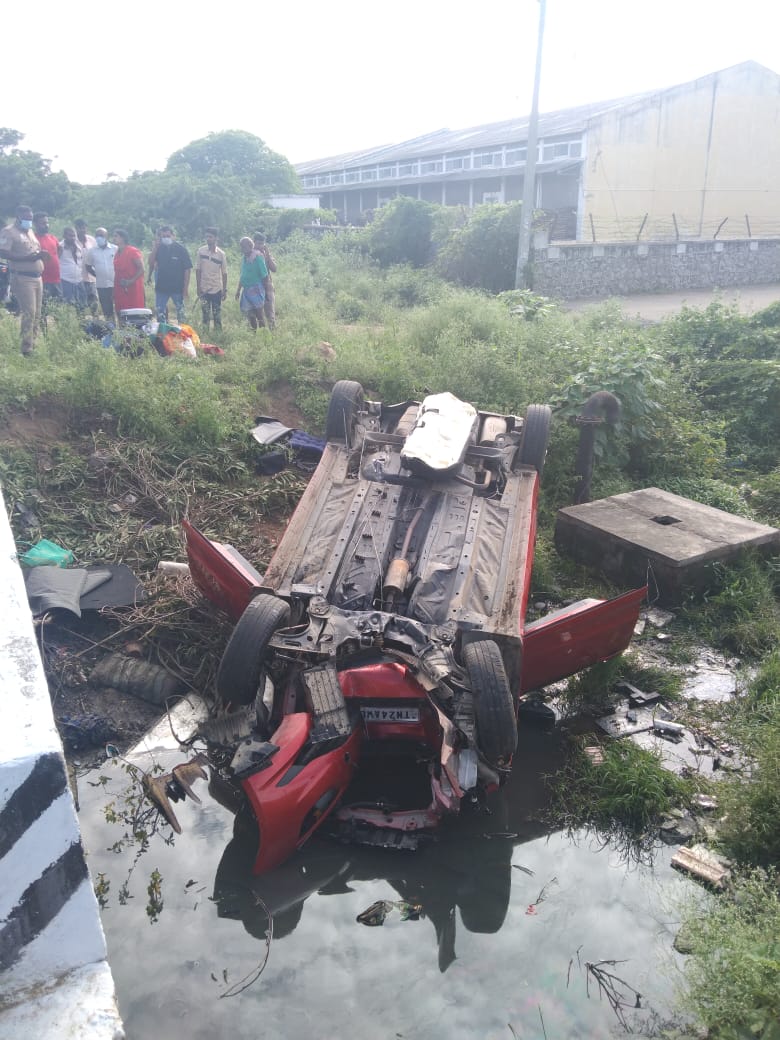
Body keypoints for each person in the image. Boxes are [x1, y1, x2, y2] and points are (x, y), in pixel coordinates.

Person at [0, 205, 46, 355]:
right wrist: (26, 258)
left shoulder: (30, 232)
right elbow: (3, 252)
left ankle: (33, 345)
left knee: (37, 314)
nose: (29, 221)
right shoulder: (8, 232)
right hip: (22, 277)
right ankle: (26, 349)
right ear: (18, 217)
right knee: (29, 313)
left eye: (31, 219)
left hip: (37, 277)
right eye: (26, 219)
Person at [148, 225, 191, 322]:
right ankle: (162, 335)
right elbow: (150, 263)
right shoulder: (159, 248)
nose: (166, 238)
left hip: (177, 288)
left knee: (181, 314)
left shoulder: (181, 249)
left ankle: (183, 334)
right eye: (163, 237)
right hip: (161, 288)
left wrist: (185, 288)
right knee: (160, 314)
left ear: (173, 235)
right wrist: (155, 248)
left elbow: (187, 270)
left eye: (168, 236)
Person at [195, 227, 227, 332]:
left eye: (210, 237)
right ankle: (205, 334)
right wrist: (198, 287)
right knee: (205, 314)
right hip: (204, 287)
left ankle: (218, 336)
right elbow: (198, 270)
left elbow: (224, 273)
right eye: (207, 237)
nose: (208, 239)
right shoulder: (201, 251)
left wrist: (224, 290)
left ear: (216, 238)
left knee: (217, 314)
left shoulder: (221, 254)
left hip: (216, 288)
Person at [236, 236, 269, 330]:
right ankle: (254, 334)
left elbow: (265, 276)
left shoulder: (258, 257)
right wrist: (238, 290)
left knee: (259, 314)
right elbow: (243, 275)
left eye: (244, 247)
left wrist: (265, 292)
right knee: (250, 314)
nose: (242, 249)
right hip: (246, 290)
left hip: (257, 289)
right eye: (241, 247)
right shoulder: (244, 258)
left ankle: (263, 335)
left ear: (251, 246)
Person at [85, 227, 117, 320]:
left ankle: (122, 329)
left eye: (101, 235)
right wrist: (97, 275)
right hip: (102, 285)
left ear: (107, 236)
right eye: (97, 236)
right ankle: (111, 329)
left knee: (119, 308)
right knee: (107, 310)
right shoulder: (92, 251)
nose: (99, 238)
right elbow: (88, 266)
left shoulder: (115, 249)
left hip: (115, 284)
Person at [112, 229, 145, 317]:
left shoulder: (132, 251)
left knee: (133, 311)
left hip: (132, 287)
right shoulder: (117, 252)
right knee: (120, 311)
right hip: (120, 287)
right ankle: (122, 330)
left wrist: (131, 281)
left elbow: (141, 269)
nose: (113, 238)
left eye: (116, 236)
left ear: (123, 238)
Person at [33, 212, 62, 306]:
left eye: (47, 223)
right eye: (43, 223)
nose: (46, 225)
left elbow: (59, 249)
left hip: (56, 279)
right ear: (35, 224)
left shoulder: (52, 237)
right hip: (42, 280)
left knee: (59, 307)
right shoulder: (33, 239)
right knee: (43, 308)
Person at [252, 231, 277, 329]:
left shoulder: (266, 254)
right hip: (254, 286)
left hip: (267, 285)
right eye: (258, 243)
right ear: (253, 243)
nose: (260, 246)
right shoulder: (250, 255)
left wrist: (268, 255)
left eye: (262, 244)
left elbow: (274, 269)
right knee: (255, 312)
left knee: (270, 311)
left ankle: (272, 332)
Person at [75, 219, 98, 315]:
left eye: (84, 227)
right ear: (76, 229)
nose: (82, 230)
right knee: (81, 303)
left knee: (94, 302)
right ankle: (82, 325)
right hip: (79, 278)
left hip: (92, 277)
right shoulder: (72, 240)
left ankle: (95, 323)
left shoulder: (92, 240)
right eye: (80, 228)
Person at [59, 227, 86, 309]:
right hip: (65, 280)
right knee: (67, 306)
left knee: (82, 306)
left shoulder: (78, 246)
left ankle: (81, 322)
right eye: (70, 236)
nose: (73, 238)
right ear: (64, 236)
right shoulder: (60, 247)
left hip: (79, 280)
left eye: (74, 236)